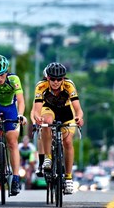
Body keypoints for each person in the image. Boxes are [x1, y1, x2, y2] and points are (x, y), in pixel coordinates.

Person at [31, 62, 84, 194]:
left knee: (67, 142)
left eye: (59, 79)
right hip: (49, 109)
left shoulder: (69, 85)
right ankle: (48, 157)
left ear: (63, 78)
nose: (55, 82)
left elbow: (78, 109)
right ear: (47, 78)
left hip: (66, 111)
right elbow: (37, 109)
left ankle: (68, 178)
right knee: (47, 121)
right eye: (52, 79)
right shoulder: (41, 86)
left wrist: (79, 117)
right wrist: (37, 118)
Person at [0, 54, 27, 195]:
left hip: (10, 108)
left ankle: (16, 178)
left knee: (12, 142)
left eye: (1, 75)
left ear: (6, 72)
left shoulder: (13, 79)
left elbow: (21, 101)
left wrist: (20, 115)